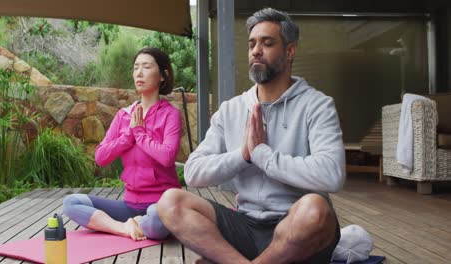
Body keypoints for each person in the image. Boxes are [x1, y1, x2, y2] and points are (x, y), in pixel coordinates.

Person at [157, 7, 345, 264]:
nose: (256, 50)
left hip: (296, 229)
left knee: (316, 210)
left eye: (267, 43)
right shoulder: (232, 109)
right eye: (252, 44)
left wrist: (263, 155)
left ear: (290, 51)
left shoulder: (317, 105)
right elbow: (193, 173)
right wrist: (243, 155)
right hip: (244, 224)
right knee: (170, 202)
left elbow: (331, 174)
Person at [63, 47, 182, 241]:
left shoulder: (170, 114)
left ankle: (139, 224)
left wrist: (140, 133)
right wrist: (127, 137)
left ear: (162, 75)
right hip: (129, 205)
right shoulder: (124, 115)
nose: (139, 73)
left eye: (146, 67)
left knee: (158, 221)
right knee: (70, 202)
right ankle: (124, 228)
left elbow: (167, 157)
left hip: (160, 203)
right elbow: (100, 157)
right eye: (136, 68)